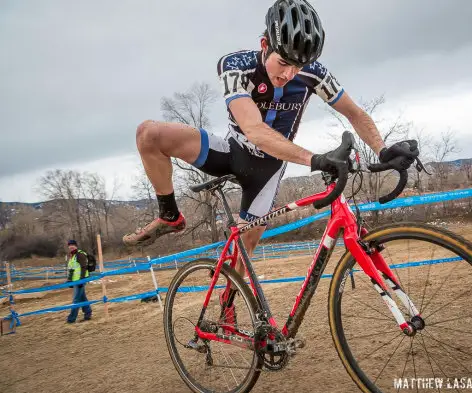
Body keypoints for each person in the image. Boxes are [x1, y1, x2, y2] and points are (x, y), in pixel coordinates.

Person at [123, 0, 418, 262]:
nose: (289, 73)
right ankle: (170, 215)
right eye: (284, 62)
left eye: (299, 65)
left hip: (267, 172)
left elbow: (354, 113)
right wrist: (314, 159)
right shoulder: (236, 66)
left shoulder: (313, 74)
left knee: (242, 260)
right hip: (231, 152)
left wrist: (383, 149)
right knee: (148, 134)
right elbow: (253, 129)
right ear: (265, 45)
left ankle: (231, 311)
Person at [65, 239, 92, 324]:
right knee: (82, 298)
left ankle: (71, 319)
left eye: (72, 245)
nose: (71, 246)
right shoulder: (72, 255)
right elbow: (72, 269)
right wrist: (69, 280)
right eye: (69, 245)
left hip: (80, 280)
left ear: (76, 245)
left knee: (76, 300)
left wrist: (81, 280)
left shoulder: (80, 254)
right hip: (75, 281)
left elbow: (83, 268)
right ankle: (88, 313)